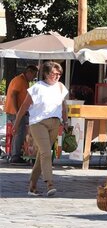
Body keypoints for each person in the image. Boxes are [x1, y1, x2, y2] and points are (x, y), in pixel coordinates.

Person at [13, 62, 68, 196]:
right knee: (46, 152)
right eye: (54, 73)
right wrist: (16, 124)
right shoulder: (37, 87)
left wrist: (65, 121)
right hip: (38, 123)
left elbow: (64, 106)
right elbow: (24, 106)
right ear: (46, 74)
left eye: (59, 74)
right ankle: (49, 183)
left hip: (55, 122)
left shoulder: (61, 87)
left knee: (42, 154)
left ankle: (32, 185)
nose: (57, 76)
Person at [5, 64, 37, 164]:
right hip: (15, 111)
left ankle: (14, 154)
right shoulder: (20, 80)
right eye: (34, 75)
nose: (34, 78)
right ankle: (15, 156)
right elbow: (13, 95)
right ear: (28, 72)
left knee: (18, 132)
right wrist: (18, 111)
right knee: (20, 132)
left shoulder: (23, 81)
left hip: (16, 111)